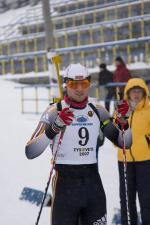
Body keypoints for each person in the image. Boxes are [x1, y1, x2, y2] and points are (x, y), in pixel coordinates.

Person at [25, 63, 132, 225]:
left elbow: (125, 143)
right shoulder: (54, 111)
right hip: (65, 187)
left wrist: (125, 121)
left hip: (93, 187)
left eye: (84, 84)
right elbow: (30, 151)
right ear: (65, 85)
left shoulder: (98, 110)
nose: (79, 89)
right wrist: (53, 129)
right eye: (73, 84)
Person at [117, 78, 150, 225]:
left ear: (144, 92)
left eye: (139, 91)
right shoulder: (121, 110)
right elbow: (114, 136)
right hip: (124, 162)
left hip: (146, 161)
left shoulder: (149, 111)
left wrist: (146, 142)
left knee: (146, 198)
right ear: (127, 93)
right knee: (126, 200)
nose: (136, 94)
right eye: (133, 91)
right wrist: (120, 120)